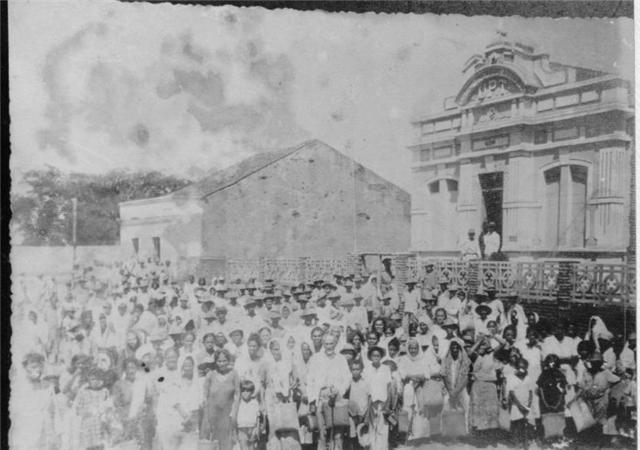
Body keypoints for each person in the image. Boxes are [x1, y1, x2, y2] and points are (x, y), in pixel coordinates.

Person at [10, 352, 60, 450]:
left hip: (46, 432)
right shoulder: (17, 387)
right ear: (25, 368)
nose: (38, 370)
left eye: (40, 367)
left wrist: (57, 433)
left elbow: (55, 411)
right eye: (33, 367)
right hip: (25, 432)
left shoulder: (48, 386)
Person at [200, 349, 240, 450]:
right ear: (216, 362)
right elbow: (205, 396)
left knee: (226, 443)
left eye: (224, 360)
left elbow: (237, 394)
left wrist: (234, 412)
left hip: (227, 414)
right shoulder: (210, 375)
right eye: (219, 361)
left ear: (228, 361)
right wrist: (207, 417)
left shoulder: (234, 374)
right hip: (212, 415)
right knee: (212, 443)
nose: (222, 364)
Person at [506, 358, 534, 450]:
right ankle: (516, 444)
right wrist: (521, 406)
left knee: (526, 425)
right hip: (516, 406)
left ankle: (525, 444)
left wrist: (528, 405)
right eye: (519, 368)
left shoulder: (528, 378)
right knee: (517, 425)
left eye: (524, 368)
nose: (522, 370)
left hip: (526, 406)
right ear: (516, 368)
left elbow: (530, 392)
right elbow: (512, 394)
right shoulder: (512, 378)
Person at [236, 380, 261, 450]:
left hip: (252, 429)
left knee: (252, 447)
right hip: (241, 429)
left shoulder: (255, 402)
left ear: (252, 392)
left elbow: (258, 417)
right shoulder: (238, 403)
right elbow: (233, 417)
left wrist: (257, 428)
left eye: (248, 391)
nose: (245, 393)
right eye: (243, 391)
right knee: (244, 447)